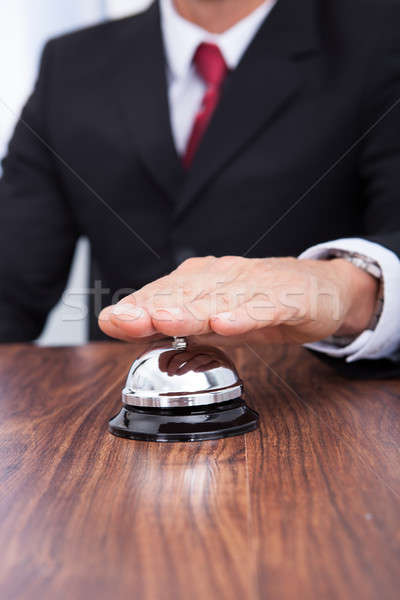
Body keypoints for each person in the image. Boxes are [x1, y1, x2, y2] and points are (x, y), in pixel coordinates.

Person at [1, 0, 400, 375]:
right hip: (114, 413)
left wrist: (346, 288)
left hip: (327, 409)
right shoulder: (71, 62)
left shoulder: (382, 35)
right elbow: (11, 282)